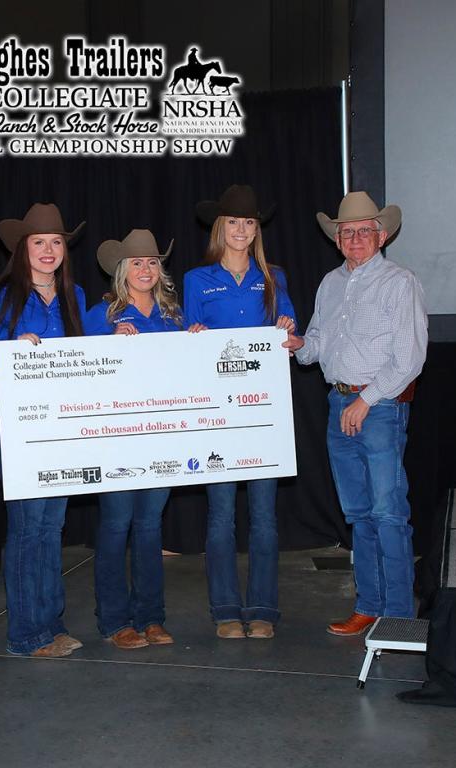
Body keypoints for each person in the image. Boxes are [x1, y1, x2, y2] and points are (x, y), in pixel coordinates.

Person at [283, 191, 428, 635]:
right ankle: (369, 604)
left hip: (379, 405)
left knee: (386, 512)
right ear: (337, 240)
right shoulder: (330, 283)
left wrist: (366, 401)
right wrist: (297, 346)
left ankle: (399, 615)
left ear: (381, 235)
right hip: (338, 401)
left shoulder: (399, 282)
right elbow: (320, 344)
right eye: (347, 233)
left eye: (364, 231)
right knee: (359, 513)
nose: (356, 238)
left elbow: (410, 358)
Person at [184, 184, 297, 640]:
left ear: (256, 230)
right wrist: (190, 335)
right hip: (217, 413)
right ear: (220, 227)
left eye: (249, 222)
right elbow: (184, 338)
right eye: (233, 221)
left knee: (266, 516)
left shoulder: (273, 278)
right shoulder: (197, 279)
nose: (241, 229)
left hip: (263, 412)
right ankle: (226, 609)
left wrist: (289, 331)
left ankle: (265, 609)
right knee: (221, 515)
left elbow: (290, 334)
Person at [0, 203, 86, 658]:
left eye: (55, 242)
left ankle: (51, 622)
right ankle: (26, 633)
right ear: (23, 249)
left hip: (64, 418)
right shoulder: (4, 295)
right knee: (26, 526)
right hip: (19, 420)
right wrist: (8, 349)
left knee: (51, 523)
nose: (48, 250)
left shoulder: (73, 295)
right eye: (38, 242)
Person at [83, 230, 189, 650]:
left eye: (152, 262)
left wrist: (196, 338)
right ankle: (114, 621)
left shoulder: (174, 315)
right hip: (116, 437)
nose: (145, 270)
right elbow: (82, 368)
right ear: (122, 270)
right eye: (137, 263)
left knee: (148, 527)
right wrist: (108, 343)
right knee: (116, 524)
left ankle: (151, 617)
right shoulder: (101, 314)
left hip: (160, 436)